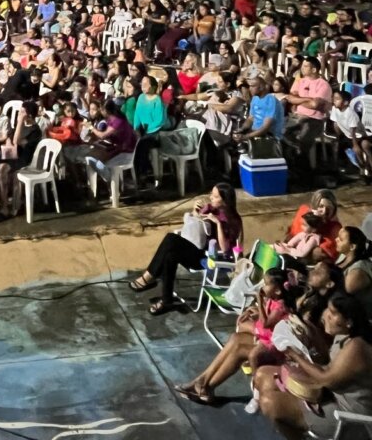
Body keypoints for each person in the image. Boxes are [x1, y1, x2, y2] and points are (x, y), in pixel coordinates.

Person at [255, 293, 372, 440]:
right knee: (262, 374)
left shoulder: (357, 347)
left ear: (349, 322)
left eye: (333, 313)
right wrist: (312, 335)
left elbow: (326, 379)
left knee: (270, 403)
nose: (326, 315)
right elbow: (327, 360)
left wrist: (294, 354)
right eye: (328, 309)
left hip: (349, 417)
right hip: (329, 396)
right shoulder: (344, 335)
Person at [174, 268, 292, 405]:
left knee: (239, 350)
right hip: (264, 340)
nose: (262, 287)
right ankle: (202, 381)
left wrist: (259, 301)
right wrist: (255, 311)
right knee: (236, 338)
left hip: (273, 348)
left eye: (266, 284)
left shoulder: (282, 306)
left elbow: (266, 324)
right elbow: (266, 318)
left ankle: (207, 386)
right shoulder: (274, 299)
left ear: (277, 290)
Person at [128, 183, 242, 316]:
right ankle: (166, 300)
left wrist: (218, 224)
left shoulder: (233, 220)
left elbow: (225, 249)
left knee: (171, 239)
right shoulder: (211, 208)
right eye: (211, 194)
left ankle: (149, 277)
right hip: (198, 249)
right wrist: (195, 212)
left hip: (211, 258)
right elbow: (194, 225)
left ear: (225, 201)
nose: (211, 197)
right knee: (170, 254)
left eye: (215, 196)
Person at [283, 189, 342, 263]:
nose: (324, 211)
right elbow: (291, 235)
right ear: (314, 206)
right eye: (321, 206)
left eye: (329, 208)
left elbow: (321, 253)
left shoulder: (334, 228)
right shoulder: (303, 213)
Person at [335, 226, 372, 318]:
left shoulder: (359, 269)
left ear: (352, 247)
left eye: (341, 239)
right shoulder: (343, 257)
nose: (336, 240)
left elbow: (345, 291)